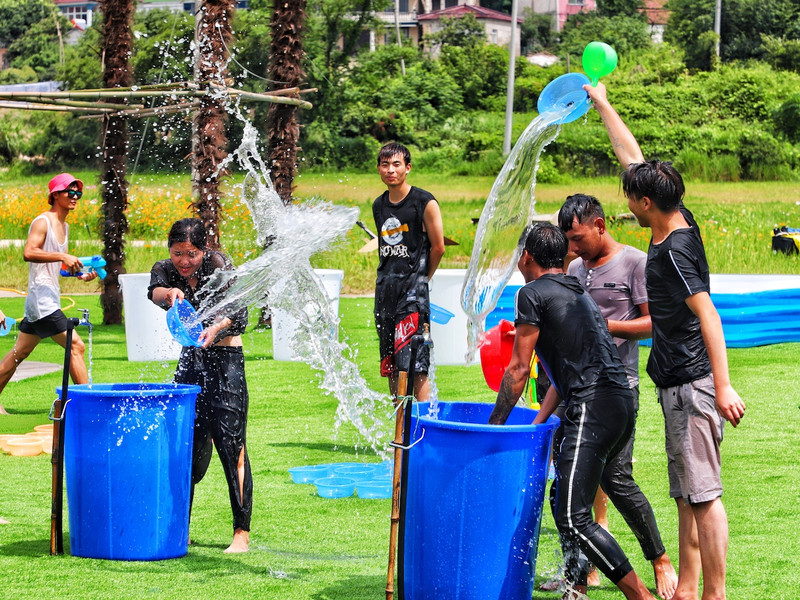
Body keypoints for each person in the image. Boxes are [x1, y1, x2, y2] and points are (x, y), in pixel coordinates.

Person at [585, 81, 746, 600]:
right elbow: (631, 157)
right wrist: (603, 103)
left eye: (630, 198)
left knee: (704, 495)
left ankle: (714, 594)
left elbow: (709, 315)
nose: (626, 202)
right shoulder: (674, 217)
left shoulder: (675, 251)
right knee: (686, 495)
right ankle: (688, 589)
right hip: (674, 382)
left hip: (693, 384)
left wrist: (722, 386)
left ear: (647, 203)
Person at [489, 222, 656, 600]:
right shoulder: (577, 289)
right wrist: (539, 422)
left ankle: (640, 596)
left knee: (572, 515)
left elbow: (518, 370)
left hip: (593, 406)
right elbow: (563, 374)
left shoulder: (531, 293)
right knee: (562, 496)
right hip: (619, 403)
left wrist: (494, 427)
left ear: (526, 257)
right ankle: (576, 587)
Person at [558, 193, 678, 599]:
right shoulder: (575, 268)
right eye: (568, 241)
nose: (574, 248)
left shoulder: (634, 263)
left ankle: (659, 558)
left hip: (618, 388)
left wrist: (607, 327)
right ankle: (579, 576)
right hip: (577, 389)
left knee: (616, 478)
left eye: (578, 238)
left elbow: (654, 322)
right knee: (570, 484)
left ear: (600, 226)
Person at [148, 218, 253, 553]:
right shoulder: (166, 269)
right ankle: (181, 528)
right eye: (178, 253)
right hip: (191, 362)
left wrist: (216, 328)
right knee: (185, 446)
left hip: (226, 361)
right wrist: (169, 294)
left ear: (203, 250)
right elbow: (155, 291)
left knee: (231, 445)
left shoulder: (219, 266)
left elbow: (240, 312)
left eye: (191, 254)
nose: (184, 261)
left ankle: (241, 533)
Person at [0, 173, 94, 416]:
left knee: (18, 354)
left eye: (78, 193)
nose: (75, 197)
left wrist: (79, 274)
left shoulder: (65, 226)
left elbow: (58, 268)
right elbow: (29, 252)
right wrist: (63, 255)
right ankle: (89, 405)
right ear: (55, 195)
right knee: (76, 346)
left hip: (45, 299)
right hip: (42, 301)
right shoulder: (42, 222)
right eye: (70, 192)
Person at [373, 142, 445, 401]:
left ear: (408, 168)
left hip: (413, 298)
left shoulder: (424, 202)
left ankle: (423, 423)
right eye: (385, 165)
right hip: (385, 295)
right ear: (379, 169)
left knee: (416, 366)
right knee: (391, 365)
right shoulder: (379, 205)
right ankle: (399, 425)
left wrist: (422, 280)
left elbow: (438, 248)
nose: (390, 170)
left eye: (396, 164)